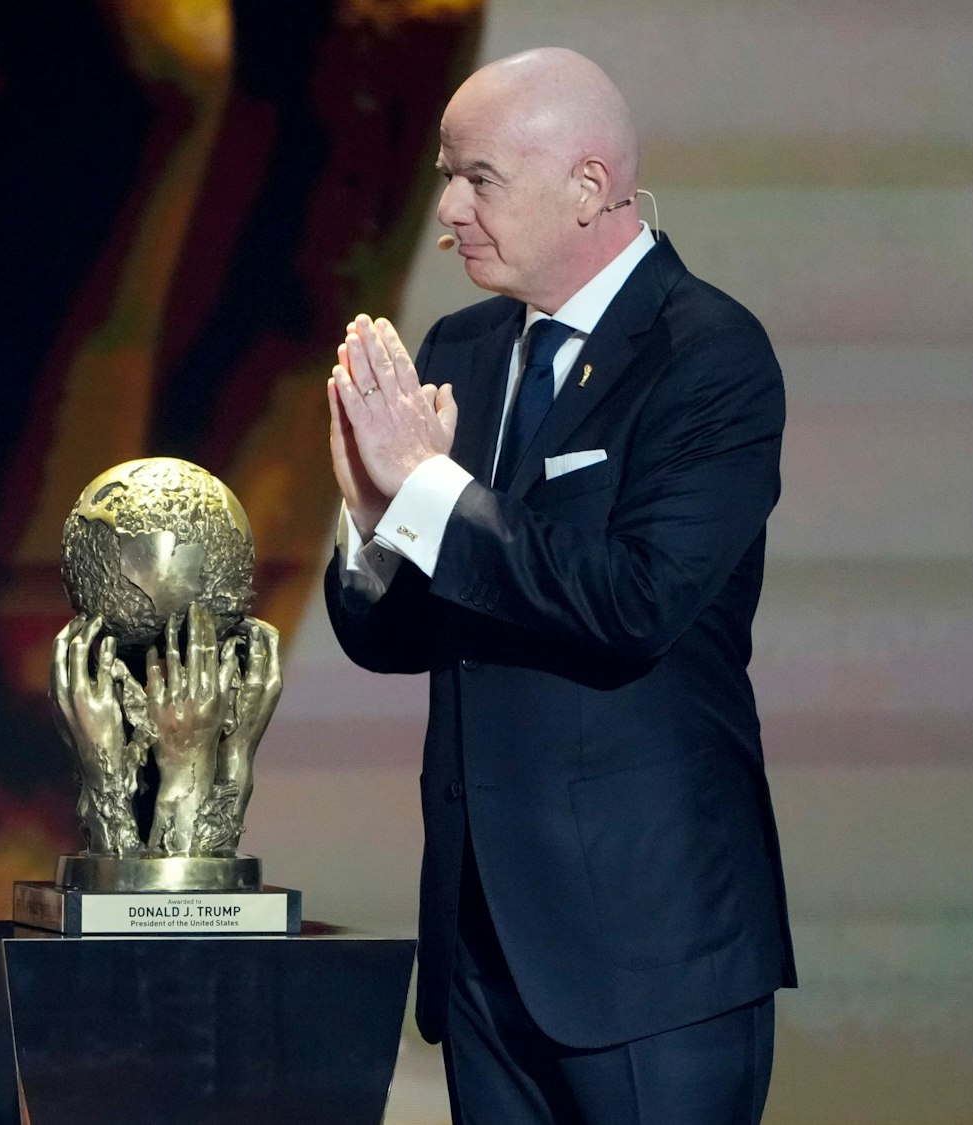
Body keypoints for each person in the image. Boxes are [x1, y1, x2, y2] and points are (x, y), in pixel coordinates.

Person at [323, 48, 794, 1124]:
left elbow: (635, 604)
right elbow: (399, 638)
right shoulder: (466, 348)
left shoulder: (706, 355)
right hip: (481, 941)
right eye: (445, 174)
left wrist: (430, 492)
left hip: (647, 949)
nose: (446, 208)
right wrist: (369, 519)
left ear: (586, 186)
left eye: (477, 177)